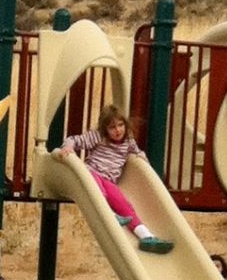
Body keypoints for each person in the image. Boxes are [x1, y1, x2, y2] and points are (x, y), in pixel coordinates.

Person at [57, 105, 172, 252]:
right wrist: (68, 147)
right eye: (112, 127)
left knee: (124, 205)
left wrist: (142, 155)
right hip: (92, 173)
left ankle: (146, 237)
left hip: (109, 180)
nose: (118, 130)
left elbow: (137, 152)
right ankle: (111, 216)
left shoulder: (128, 142)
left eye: (120, 125)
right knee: (99, 192)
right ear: (105, 129)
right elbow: (74, 139)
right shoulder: (99, 137)